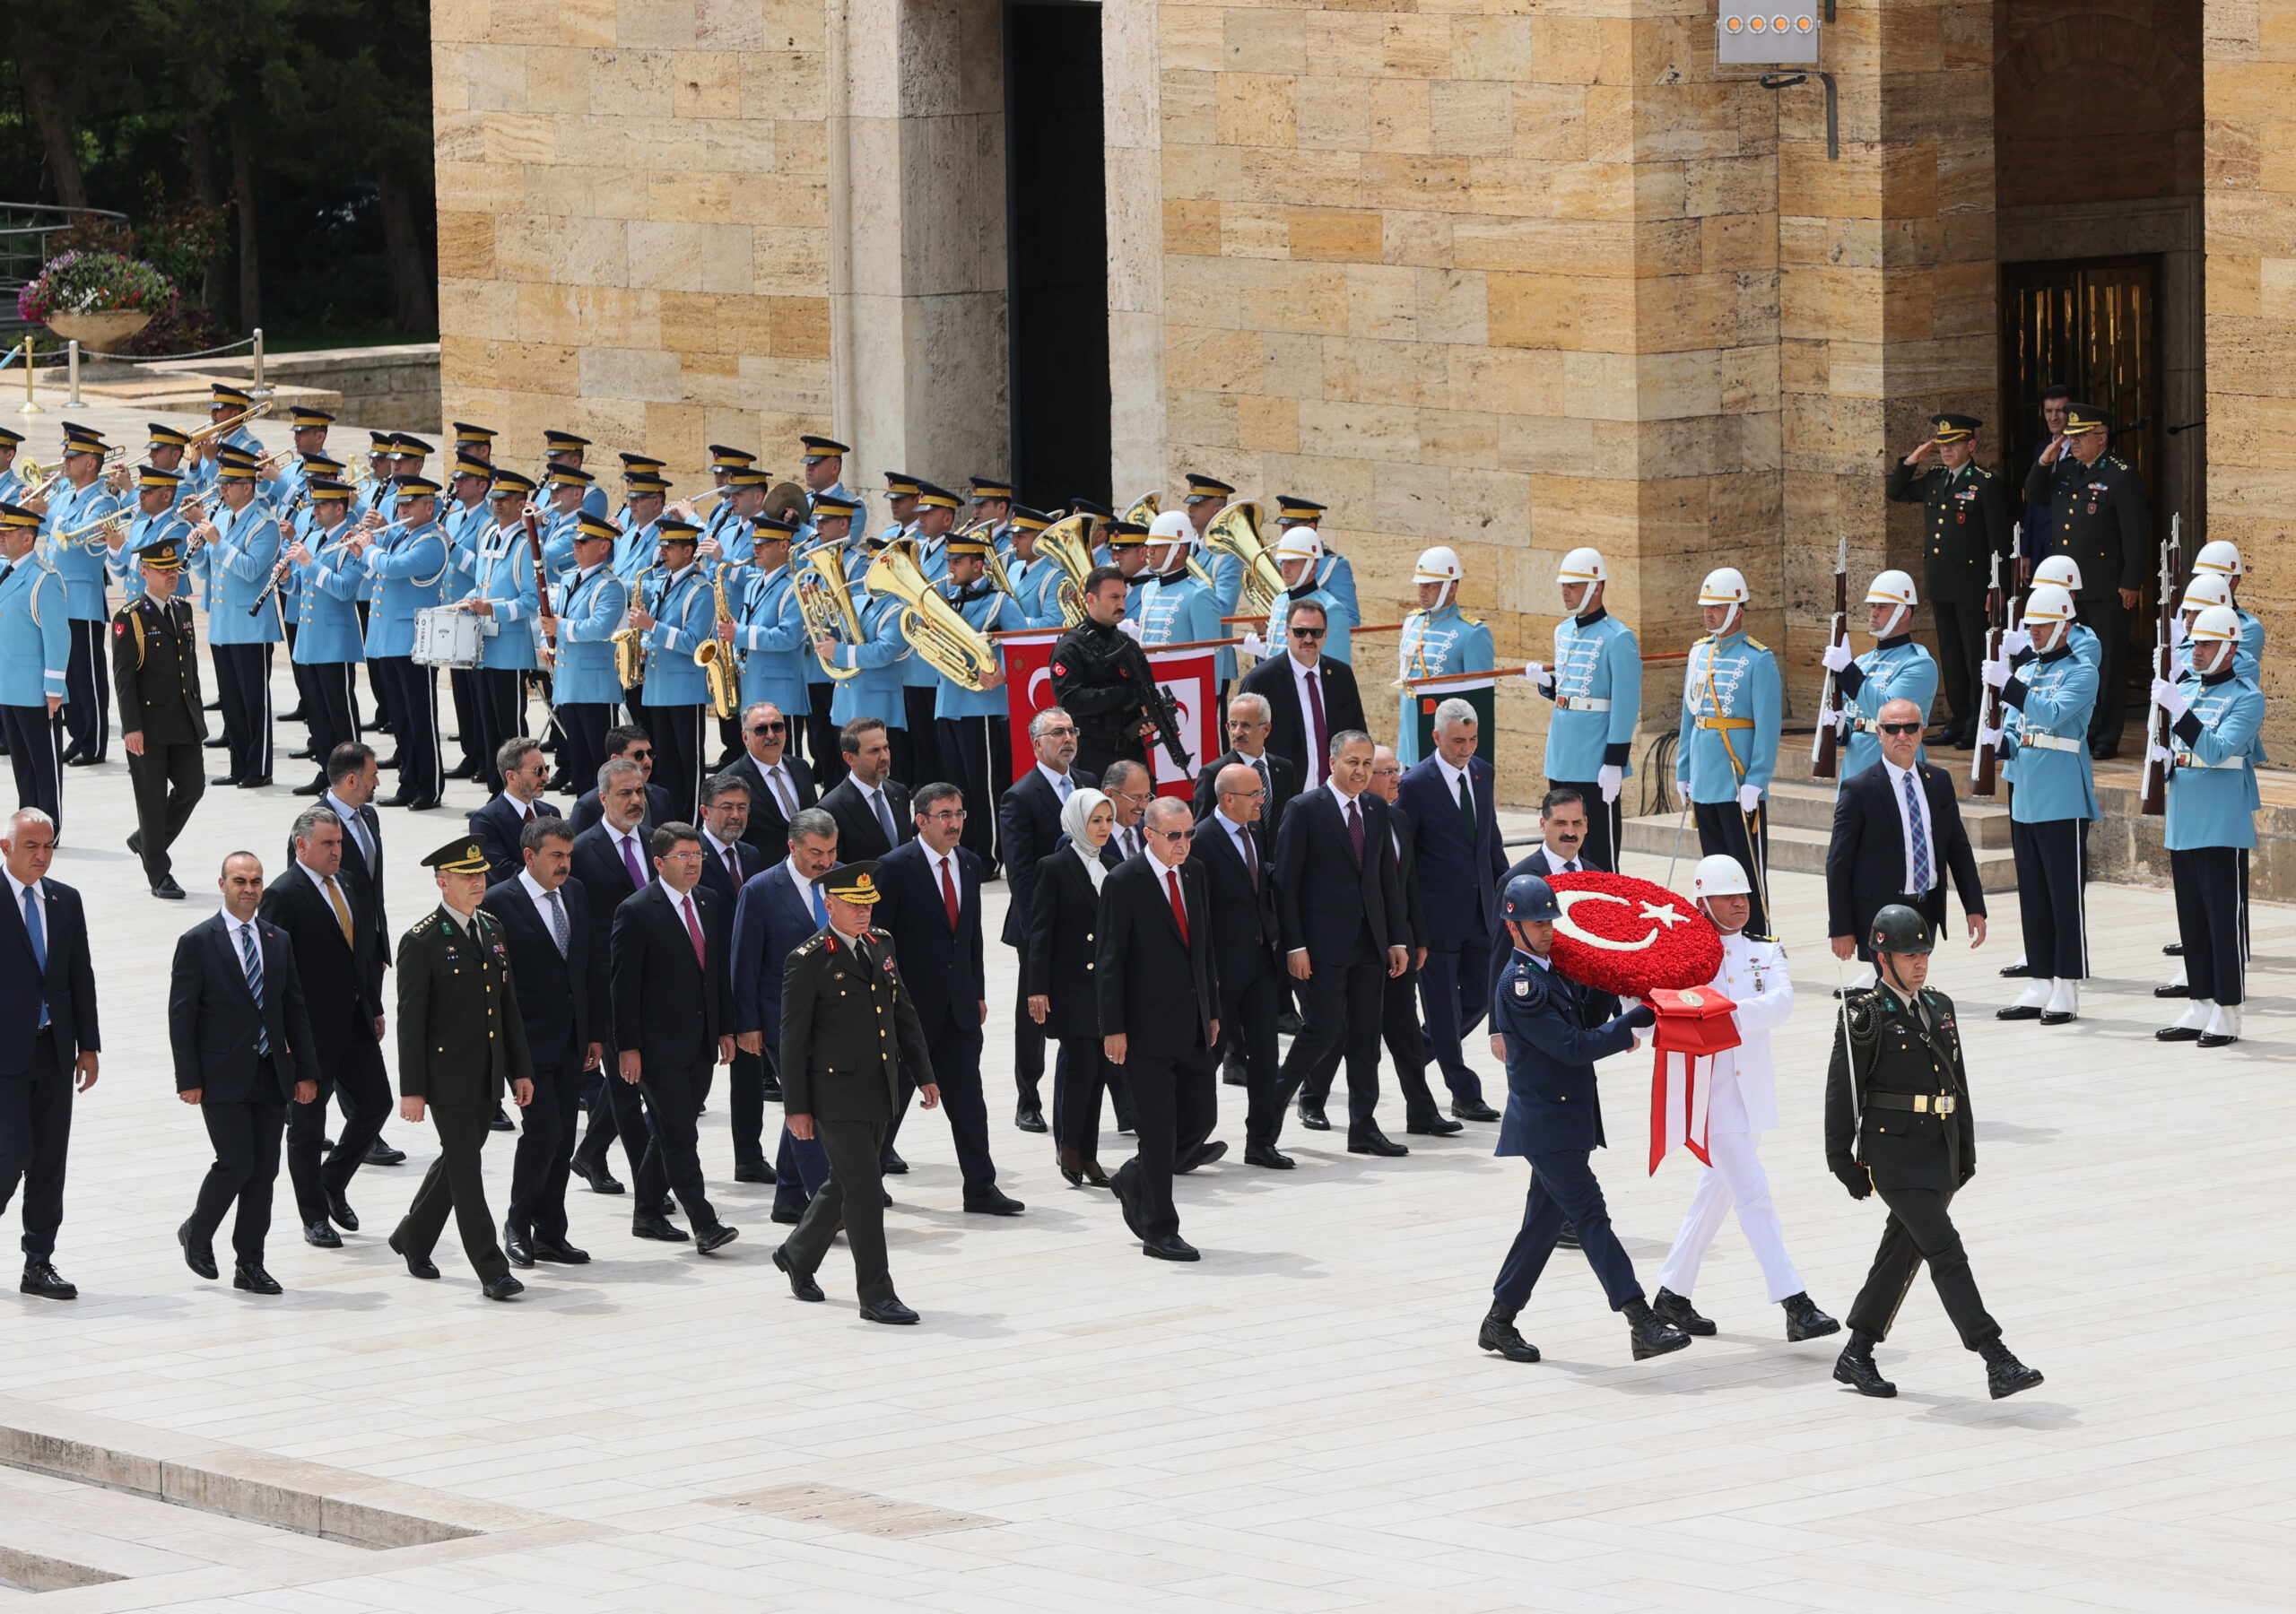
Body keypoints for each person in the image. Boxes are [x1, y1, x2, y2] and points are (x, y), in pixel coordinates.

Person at [1825, 904, 2043, 1400]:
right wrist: (1842, 1160)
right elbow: (1842, 1091)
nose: (1920, 963)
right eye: (1909, 955)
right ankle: (1995, 1357)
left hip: (1937, 1152)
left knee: (1900, 1253)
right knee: (1946, 1250)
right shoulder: (1864, 1014)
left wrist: (1964, 1150)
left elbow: (1957, 1083)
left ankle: (1856, 1354)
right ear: (1884, 958)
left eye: (1924, 952)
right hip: (1894, 1155)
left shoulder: (1940, 1005)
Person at [1477, 874, 1683, 1365]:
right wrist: (1627, 1025)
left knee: (1542, 1227)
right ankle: (1640, 1320)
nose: (1546, 929)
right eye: (1535, 922)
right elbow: (1571, 1047)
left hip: (1565, 1120)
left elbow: (1585, 1017)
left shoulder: (1551, 971)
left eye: (1549, 919)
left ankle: (1498, 1322)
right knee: (1590, 1216)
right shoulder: (1521, 984)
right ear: (1513, 927)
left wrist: (1624, 981)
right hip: (1547, 1127)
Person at [1645, 855, 1838, 1342]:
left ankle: (1672, 1293)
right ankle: (1795, 1303)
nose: (1739, 904)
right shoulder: (1685, 953)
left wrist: (1718, 1016)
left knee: (1716, 1193)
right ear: (1702, 901)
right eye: (1728, 897)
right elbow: (1658, 1001)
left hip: (1749, 1094)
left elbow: (1782, 1003)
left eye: (1744, 896)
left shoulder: (1765, 951)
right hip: (1709, 1097)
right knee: (1754, 1194)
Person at [774, 859, 935, 1323]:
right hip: (835, 1094)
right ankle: (877, 1294)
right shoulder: (807, 960)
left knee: (845, 1182)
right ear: (829, 906)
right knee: (865, 1188)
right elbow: (792, 1040)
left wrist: (923, 1073)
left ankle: (797, 1254)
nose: (863, 913)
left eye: (868, 904)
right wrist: (797, 1108)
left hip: (880, 1087)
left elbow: (902, 1012)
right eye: (853, 905)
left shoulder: (881, 944)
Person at [390, 835, 535, 1300]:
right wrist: (412, 1089)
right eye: (467, 876)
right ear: (441, 882)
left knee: (455, 1164)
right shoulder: (422, 941)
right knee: (468, 1173)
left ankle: (412, 1236)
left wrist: (520, 1071)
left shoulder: (492, 928)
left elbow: (506, 1007)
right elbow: (410, 1022)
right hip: (446, 1078)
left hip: (487, 1074)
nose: (479, 883)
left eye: (481, 874)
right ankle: (492, 1270)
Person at [169, 851, 320, 1294]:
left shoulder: (277, 939)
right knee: (236, 1163)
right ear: (222, 885)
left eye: (255, 881)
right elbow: (182, 1017)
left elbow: (295, 1010)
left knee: (264, 1171)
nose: (249, 889)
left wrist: (305, 1072)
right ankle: (197, 1230)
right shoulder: (197, 941)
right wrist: (189, 1078)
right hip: (220, 1075)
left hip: (270, 1072)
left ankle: (250, 1262)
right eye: (240, 881)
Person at [873, 783, 1022, 1214]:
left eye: (959, 813)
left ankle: (980, 1187)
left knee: (969, 1102)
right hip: (910, 1012)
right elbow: (880, 940)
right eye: (945, 815)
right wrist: (888, 1004)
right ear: (921, 821)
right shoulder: (894, 867)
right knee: (892, 1101)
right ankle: (869, 1179)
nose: (955, 822)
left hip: (958, 1010)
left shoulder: (971, 864)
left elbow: (970, 936)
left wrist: (976, 991)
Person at [257, 806, 391, 1250]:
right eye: (329, 845)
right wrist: (287, 1039)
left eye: (339, 843)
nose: (338, 852)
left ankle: (331, 1180)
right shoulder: (282, 894)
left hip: (354, 1022)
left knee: (376, 1104)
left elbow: (360, 952)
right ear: (302, 846)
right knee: (308, 1128)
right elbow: (273, 975)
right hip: (308, 1033)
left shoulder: (347, 882)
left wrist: (371, 1004)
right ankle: (313, 1216)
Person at [1098, 797, 1223, 1261]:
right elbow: (1110, 961)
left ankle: (1133, 1177)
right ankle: (1159, 1230)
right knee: (1156, 1131)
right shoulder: (1124, 882)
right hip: (1144, 1030)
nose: (1184, 844)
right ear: (1148, 834)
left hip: (1191, 1024)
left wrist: (1211, 1009)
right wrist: (1113, 1027)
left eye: (1189, 834)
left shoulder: (1196, 873)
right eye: (1174, 835)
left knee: (1200, 1120)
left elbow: (1204, 945)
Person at [1273, 731, 1409, 1156]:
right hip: (1321, 947)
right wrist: (1295, 945)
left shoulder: (1375, 807)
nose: (1361, 771)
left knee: (1367, 1039)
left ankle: (1363, 1127)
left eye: (1368, 764)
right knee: (1323, 1030)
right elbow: (1285, 883)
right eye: (1353, 762)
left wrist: (1397, 939)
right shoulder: (1304, 809)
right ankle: (1271, 1107)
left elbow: (1387, 880)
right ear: (1332, 762)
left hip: (1370, 945)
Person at [610, 822, 739, 1250]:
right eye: (683, 856)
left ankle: (647, 1212)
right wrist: (627, 1047)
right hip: (656, 1046)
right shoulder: (636, 910)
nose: (693, 863)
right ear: (659, 862)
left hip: (699, 1041)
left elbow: (718, 972)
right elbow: (623, 988)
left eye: (697, 854)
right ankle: (704, 1222)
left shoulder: (710, 901)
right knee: (681, 1134)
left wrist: (725, 1028)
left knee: (670, 1129)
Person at [481, 816, 602, 1265]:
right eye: (556, 856)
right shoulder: (499, 903)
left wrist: (593, 1035)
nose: (565, 864)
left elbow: (587, 966)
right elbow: (495, 988)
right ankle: (517, 1223)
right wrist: (508, 1058)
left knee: (564, 1135)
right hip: (528, 1044)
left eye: (568, 855)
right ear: (529, 856)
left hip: (572, 1039)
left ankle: (551, 1231)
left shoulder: (575, 892)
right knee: (543, 1132)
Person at [1978, 583, 2098, 1024]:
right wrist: (1998, 742)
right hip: (2026, 791)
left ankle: (2067, 983)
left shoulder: (2082, 671)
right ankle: (2041, 978)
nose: (2035, 632)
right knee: (2032, 892)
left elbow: (2050, 715)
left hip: (2062, 793)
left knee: (2064, 895)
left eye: (2043, 625)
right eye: (2032, 625)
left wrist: (2008, 684)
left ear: (2065, 626)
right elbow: (2018, 726)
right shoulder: (2026, 673)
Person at [2153, 604, 2265, 1048]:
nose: (2196, 651)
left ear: (2231, 648)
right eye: (2195, 642)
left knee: (2223, 922)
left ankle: (2229, 1009)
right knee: (2193, 921)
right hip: (2184, 820)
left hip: (2221, 822)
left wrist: (2179, 710)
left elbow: (2218, 750)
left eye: (2206, 644)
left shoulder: (2247, 697)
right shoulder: (2191, 689)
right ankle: (2201, 1002)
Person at [0, 809, 100, 1300]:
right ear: (5, 848)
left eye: (48, 846)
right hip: (3, 1057)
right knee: (11, 1152)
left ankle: (38, 1262)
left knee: (49, 1163)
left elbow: (79, 973)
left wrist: (90, 1045)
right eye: (30, 847)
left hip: (54, 1050)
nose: (41, 856)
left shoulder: (65, 900)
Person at [1825, 697, 1988, 985]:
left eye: (1910, 727)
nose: (1902, 735)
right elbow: (1839, 863)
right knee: (1898, 992)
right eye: (1892, 729)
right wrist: (1841, 927)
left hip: (1926, 908)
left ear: (1921, 731)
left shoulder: (1938, 781)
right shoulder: (1859, 789)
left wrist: (1974, 906)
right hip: (1881, 913)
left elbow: (1958, 848)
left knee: (1911, 988)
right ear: (1879, 733)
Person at [1398, 698, 1508, 1124]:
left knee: (1483, 995)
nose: (1466, 748)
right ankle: (1463, 1091)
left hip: (1483, 913)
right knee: (1443, 1008)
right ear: (1437, 737)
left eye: (1473, 739)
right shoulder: (1415, 784)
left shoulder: (1483, 772)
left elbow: (1490, 840)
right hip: (1436, 918)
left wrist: (1508, 894)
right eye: (1458, 741)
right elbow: (1403, 855)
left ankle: (1417, 1051)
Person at [732, 807, 840, 1215]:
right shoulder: (760, 890)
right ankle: (825, 1201)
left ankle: (789, 1195)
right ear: (791, 847)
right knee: (807, 1101)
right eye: (815, 852)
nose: (825, 861)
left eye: (831, 851)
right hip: (781, 1017)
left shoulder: (844, 879)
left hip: (835, 1015)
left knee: (807, 1097)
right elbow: (743, 961)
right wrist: (746, 1024)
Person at [2023, 400, 2147, 759]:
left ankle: (2106, 734)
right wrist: (2046, 459)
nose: (2072, 442)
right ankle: (2081, 728)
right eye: (2070, 436)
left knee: (2107, 660)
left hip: (2106, 584)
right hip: (2065, 590)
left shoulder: (2121, 475)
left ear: (2102, 438)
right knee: (2071, 657)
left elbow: (2135, 534)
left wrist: (2131, 581)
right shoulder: (2064, 471)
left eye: (2080, 436)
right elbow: (2034, 495)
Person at [568, 757, 665, 1204]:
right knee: (629, 1087)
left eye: (640, 791)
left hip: (656, 983)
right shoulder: (582, 851)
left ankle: (589, 1151)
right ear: (603, 798)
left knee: (641, 1079)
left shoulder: (654, 841)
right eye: (624, 793)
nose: (635, 800)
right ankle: (650, 1186)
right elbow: (579, 928)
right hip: (608, 985)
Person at [1884, 414, 2013, 748]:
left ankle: (1977, 721)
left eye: (1953, 443)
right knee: (1952, 655)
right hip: (1942, 583)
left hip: (1973, 587)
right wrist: (1914, 458)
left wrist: (1997, 588)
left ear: (1971, 445)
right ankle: (1958, 719)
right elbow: (1896, 491)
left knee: (1974, 656)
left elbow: (1999, 541)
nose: (1946, 449)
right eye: (1941, 444)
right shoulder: (1935, 478)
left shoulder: (1985, 483)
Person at [997, 706, 1097, 1132]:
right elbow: (1019, 874)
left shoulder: (1090, 783)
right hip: (1040, 924)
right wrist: (1041, 930)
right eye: (1057, 733)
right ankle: (1029, 1098)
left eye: (1071, 730)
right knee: (1034, 1013)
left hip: (1088, 921)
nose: (1067, 738)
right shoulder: (1020, 796)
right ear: (1037, 744)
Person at [1676, 567, 1780, 936]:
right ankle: (1720, 940)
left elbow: (1769, 728)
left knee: (1746, 875)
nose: (1709, 613)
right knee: (1715, 871)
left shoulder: (1758, 659)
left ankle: (1755, 938)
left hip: (1739, 784)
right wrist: (1683, 770)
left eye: (1717, 607)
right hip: (1706, 780)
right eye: (1707, 607)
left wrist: (1758, 778)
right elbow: (1691, 716)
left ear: (1737, 609)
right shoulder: (1699, 653)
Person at [1361, 745, 1457, 1136]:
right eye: (1387, 772)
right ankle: (1311, 1100)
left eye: (1396, 770)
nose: (1397, 778)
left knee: (1405, 1034)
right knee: (1338, 1036)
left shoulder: (1399, 820)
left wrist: (1417, 938)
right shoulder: (1345, 821)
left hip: (1398, 949)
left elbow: (1408, 887)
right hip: (1361, 950)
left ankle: (1421, 1110)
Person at [1525, 549, 1640, 872]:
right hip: (1562, 752)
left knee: (1598, 851)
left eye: (1573, 585)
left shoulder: (1619, 638)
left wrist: (1614, 760)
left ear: (1597, 586)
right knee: (1561, 844)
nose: (1565, 591)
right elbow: (1571, 692)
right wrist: (1548, 683)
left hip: (1594, 758)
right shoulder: (1562, 631)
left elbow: (1625, 703)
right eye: (1564, 585)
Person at [1029, 786, 1120, 1186]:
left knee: (1100, 1070)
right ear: (1076, 823)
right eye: (1094, 821)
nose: (1102, 828)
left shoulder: (1114, 866)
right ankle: (1069, 1148)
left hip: (1105, 988)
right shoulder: (1054, 866)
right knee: (1081, 1067)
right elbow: (1040, 933)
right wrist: (1037, 988)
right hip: (1069, 986)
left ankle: (1089, 1153)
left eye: (1107, 820)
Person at [111, 534, 206, 898]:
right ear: (143, 572)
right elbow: (123, 679)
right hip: (148, 727)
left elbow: (190, 669)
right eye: (163, 570)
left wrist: (197, 716)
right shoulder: (130, 617)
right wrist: (131, 728)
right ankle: (159, 875)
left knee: (193, 787)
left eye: (175, 569)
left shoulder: (182, 609)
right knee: (150, 799)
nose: (172, 575)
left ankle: (146, 840)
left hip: (182, 721)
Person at [27, 422, 125, 770]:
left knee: (87, 676)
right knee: (66, 673)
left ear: (91, 463)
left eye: (73, 456)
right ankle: (78, 735)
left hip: (82, 599)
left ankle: (94, 742)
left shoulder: (103, 502)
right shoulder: (65, 495)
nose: (65, 462)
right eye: (65, 455)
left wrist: (48, 512)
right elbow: (47, 528)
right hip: (57, 597)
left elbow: (81, 539)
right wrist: (29, 511)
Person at [354, 474, 453, 811]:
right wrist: (363, 549)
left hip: (414, 642)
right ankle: (408, 782)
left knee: (421, 718)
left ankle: (430, 786)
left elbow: (394, 568)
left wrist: (369, 549)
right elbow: (378, 567)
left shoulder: (432, 540)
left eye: (410, 504)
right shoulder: (402, 535)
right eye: (400, 504)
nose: (402, 509)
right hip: (388, 639)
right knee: (401, 719)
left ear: (430, 507)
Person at [190, 447, 284, 789]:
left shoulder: (264, 524)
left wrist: (216, 542)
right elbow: (208, 571)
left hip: (251, 625)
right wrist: (201, 549)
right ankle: (238, 765)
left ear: (248, 487)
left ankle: (258, 768)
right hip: (222, 624)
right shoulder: (224, 519)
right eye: (221, 483)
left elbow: (249, 570)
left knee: (253, 703)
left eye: (229, 483)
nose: (222, 489)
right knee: (231, 700)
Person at [281, 478, 369, 794]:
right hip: (309, 641)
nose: (314, 510)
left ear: (339, 508)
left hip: (335, 642)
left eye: (321, 505)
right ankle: (327, 773)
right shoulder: (315, 538)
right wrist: (287, 578)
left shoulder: (351, 541)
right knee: (317, 715)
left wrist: (309, 562)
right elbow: (303, 588)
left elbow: (345, 589)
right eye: (314, 504)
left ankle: (355, 777)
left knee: (340, 715)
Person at [626, 519, 714, 821]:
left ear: (688, 551)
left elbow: (694, 642)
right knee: (665, 763)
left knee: (690, 763)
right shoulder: (664, 583)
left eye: (670, 546)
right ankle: (669, 820)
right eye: (662, 545)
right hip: (657, 686)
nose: (662, 551)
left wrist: (652, 627)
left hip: (685, 689)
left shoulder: (700, 590)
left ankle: (693, 821)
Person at [1237, 600, 1367, 798]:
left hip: (1335, 797)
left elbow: (1358, 734)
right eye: (1300, 632)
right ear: (1287, 632)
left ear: (1325, 634)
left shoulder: (1341, 676)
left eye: (1315, 632)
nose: (1308, 638)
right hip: (1283, 800)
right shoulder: (1261, 681)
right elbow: (1244, 747)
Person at [1821, 571, 1940, 777]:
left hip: (1896, 769)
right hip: (1855, 769)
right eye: (1873, 606)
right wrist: (1841, 728)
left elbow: (1888, 711)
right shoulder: (1862, 662)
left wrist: (1848, 671)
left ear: (1904, 614)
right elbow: (1854, 718)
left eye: (1882, 607)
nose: (1874, 613)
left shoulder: (1919, 664)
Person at [1049, 567, 1165, 777]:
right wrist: (1120, 695)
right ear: (1092, 599)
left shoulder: (1128, 644)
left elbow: (1146, 691)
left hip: (1132, 753)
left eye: (1123, 596)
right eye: (1114, 597)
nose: (1121, 604)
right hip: (1093, 757)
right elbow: (1069, 700)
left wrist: (1147, 719)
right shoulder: (1070, 647)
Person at [551, 513, 628, 801]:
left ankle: (606, 816)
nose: (577, 546)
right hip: (570, 682)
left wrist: (559, 627)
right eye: (576, 541)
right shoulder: (571, 578)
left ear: (604, 546)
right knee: (579, 760)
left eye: (584, 541)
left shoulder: (610, 585)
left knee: (601, 761)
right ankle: (586, 814)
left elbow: (599, 628)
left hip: (597, 687)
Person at [1393, 547, 1492, 766]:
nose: (1422, 591)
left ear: (1452, 588)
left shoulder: (1472, 632)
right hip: (1409, 731)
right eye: (1421, 585)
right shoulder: (1412, 621)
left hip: (1446, 735)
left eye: (1430, 586)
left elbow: (1479, 701)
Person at [0, 505, 66, 829]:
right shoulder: (6, 570)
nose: (1, 537)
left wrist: (54, 689)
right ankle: (28, 824)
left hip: (36, 691)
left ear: (27, 540)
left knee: (45, 764)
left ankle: (49, 826)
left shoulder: (44, 579)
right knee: (22, 764)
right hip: (8, 686)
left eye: (7, 533)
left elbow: (58, 638)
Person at [723, 700, 818, 869]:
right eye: (761, 729)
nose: (771, 735)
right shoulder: (730, 779)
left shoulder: (801, 767)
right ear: (745, 737)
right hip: (763, 875)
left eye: (777, 727)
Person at [1190, 691, 1298, 838]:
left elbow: (1291, 820)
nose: (1237, 732)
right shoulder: (1214, 773)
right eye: (1233, 725)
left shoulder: (1284, 769)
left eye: (1246, 725)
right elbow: (1202, 833)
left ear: (1266, 729)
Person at [817, 716, 913, 860]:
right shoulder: (831, 809)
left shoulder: (899, 792)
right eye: (874, 751)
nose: (884, 757)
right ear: (850, 758)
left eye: (886, 748)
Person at [470, 736, 561, 885]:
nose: (546, 777)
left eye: (546, 769)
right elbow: (501, 871)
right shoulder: (485, 820)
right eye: (538, 771)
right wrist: (548, 878)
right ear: (511, 777)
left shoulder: (551, 813)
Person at [567, 725, 672, 836]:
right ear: (616, 759)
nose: (647, 761)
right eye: (639, 755)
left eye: (650, 754)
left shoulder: (661, 796)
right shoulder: (588, 806)